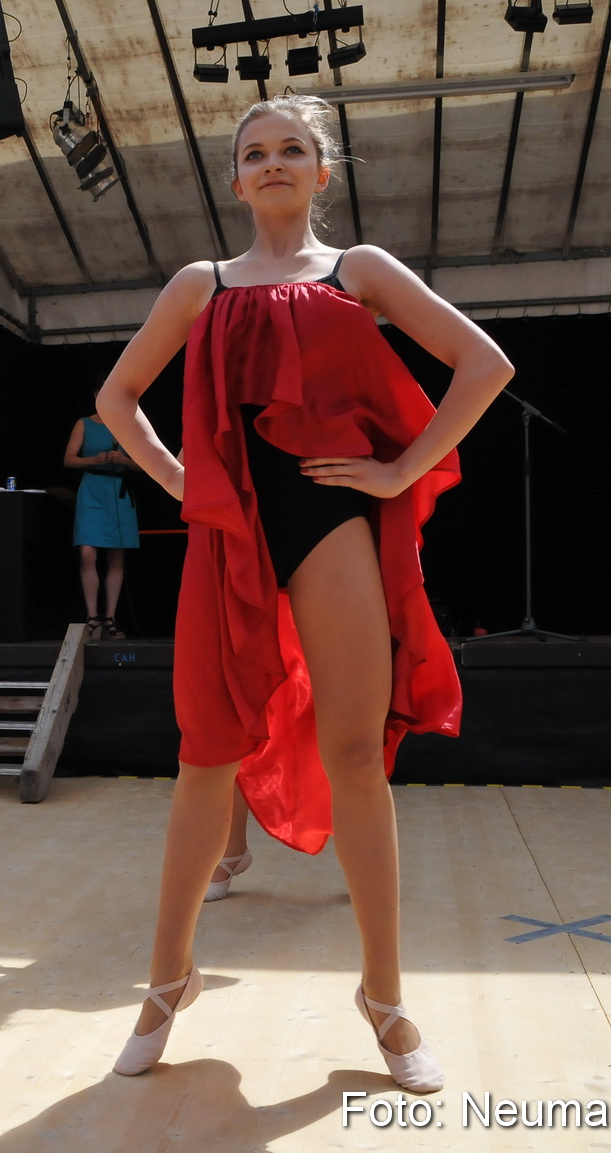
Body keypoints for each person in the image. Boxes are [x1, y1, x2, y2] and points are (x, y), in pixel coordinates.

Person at [95, 97, 513, 1089]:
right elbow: (116, 398)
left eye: (292, 149)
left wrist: (401, 469)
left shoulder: (356, 269)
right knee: (207, 754)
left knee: (358, 752)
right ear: (234, 181)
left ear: (322, 171)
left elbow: (484, 366)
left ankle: (385, 997)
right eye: (254, 153)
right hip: (230, 534)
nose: (273, 163)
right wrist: (181, 481)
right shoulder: (199, 283)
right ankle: (166, 981)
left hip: (331, 525)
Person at [63, 380, 142, 640]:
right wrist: (93, 459)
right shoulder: (83, 423)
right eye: (100, 392)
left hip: (118, 493)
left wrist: (123, 461)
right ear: (96, 395)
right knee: (87, 553)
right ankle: (92, 617)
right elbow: (69, 460)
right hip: (92, 490)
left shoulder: (128, 423)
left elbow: (146, 464)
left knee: (116, 558)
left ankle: (110, 618)